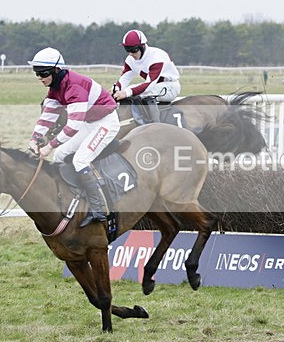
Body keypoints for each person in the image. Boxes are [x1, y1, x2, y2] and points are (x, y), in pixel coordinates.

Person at [26, 47, 120, 227]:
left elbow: (73, 126)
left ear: (56, 70)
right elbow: (47, 116)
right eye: (36, 73)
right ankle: (71, 197)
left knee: (80, 160)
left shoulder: (75, 87)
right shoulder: (55, 88)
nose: (40, 78)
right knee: (60, 155)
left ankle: (98, 209)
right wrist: (34, 139)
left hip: (106, 122)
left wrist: (49, 146)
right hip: (89, 122)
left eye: (43, 73)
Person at [112, 29, 181, 124]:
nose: (131, 53)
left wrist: (126, 92)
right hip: (156, 86)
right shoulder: (130, 60)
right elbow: (125, 78)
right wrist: (116, 89)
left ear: (142, 46)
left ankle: (156, 125)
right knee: (127, 91)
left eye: (133, 50)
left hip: (170, 87)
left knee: (141, 93)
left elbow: (149, 85)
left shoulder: (156, 57)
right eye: (127, 49)